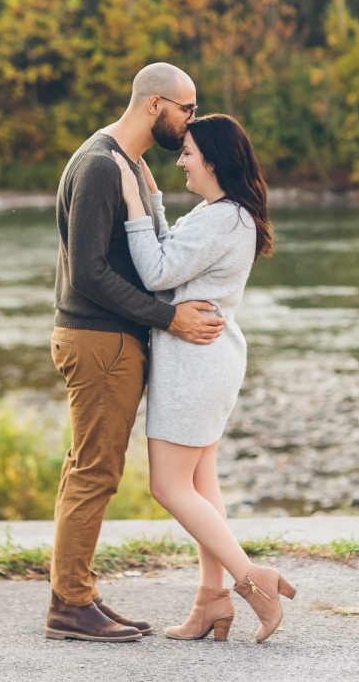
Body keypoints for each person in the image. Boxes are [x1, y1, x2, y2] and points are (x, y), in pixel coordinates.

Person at [45, 63, 226, 643]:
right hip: (99, 340)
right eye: (186, 109)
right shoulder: (101, 166)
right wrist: (169, 318)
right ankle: (70, 607)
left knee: (89, 468)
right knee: (94, 471)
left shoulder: (129, 164)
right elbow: (89, 274)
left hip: (112, 340)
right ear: (155, 105)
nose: (190, 120)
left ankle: (78, 594)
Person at [111, 114, 296, 644]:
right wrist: (156, 201)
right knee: (200, 483)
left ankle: (249, 578)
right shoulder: (222, 213)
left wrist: (132, 205)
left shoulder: (224, 220)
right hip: (205, 359)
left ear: (212, 160)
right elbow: (176, 253)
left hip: (196, 364)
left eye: (188, 152)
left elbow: (157, 273)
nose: (181, 160)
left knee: (168, 486)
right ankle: (210, 600)